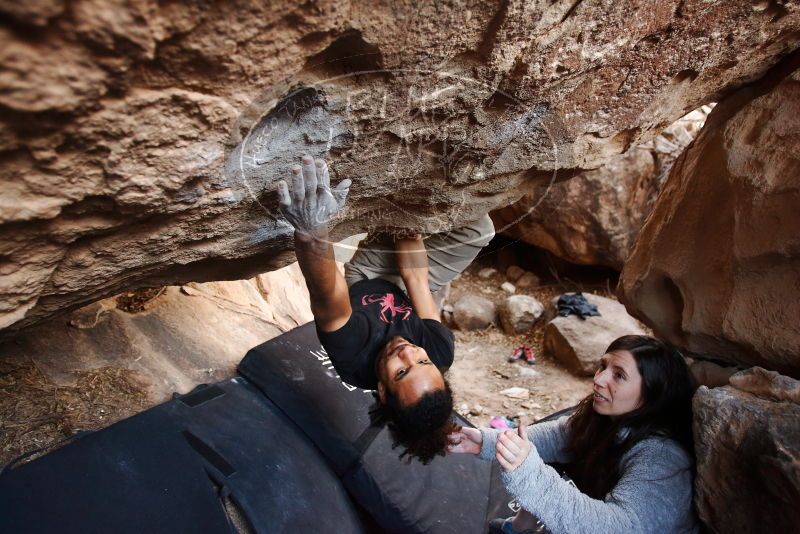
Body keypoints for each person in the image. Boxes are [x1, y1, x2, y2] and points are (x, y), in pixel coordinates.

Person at [277, 155, 494, 463]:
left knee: (404, 219)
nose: (408, 353)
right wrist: (413, 223)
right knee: (480, 230)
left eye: (402, 372)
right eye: (423, 362)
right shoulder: (440, 352)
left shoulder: (353, 356)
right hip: (406, 290)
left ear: (381, 390)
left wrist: (312, 229)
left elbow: (327, 293)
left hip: (369, 280)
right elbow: (416, 279)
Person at [449, 335, 698, 533]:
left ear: (653, 393)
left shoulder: (663, 459)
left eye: (619, 375)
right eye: (603, 366)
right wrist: (486, 441)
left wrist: (531, 474)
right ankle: (520, 528)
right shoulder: (606, 418)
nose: (599, 379)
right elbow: (559, 436)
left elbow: (619, 528)